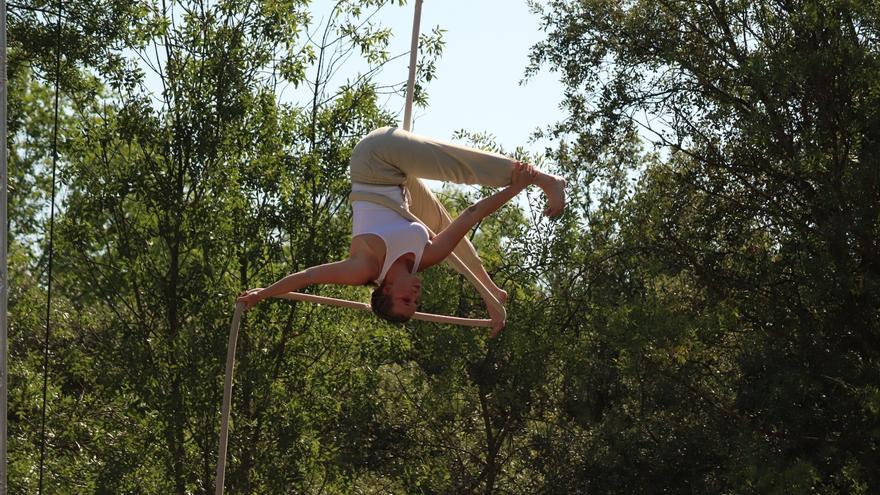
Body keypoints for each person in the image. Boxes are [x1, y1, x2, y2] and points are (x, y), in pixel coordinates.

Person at [237, 127, 566, 337]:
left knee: (455, 169)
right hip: (401, 188)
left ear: (387, 289)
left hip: (374, 161)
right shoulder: (425, 258)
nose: (417, 294)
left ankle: (546, 180)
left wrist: (264, 293)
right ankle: (490, 290)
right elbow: (469, 216)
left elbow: (307, 276)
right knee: (445, 231)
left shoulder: (363, 269)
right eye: (416, 301)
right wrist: (514, 192)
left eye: (407, 298)